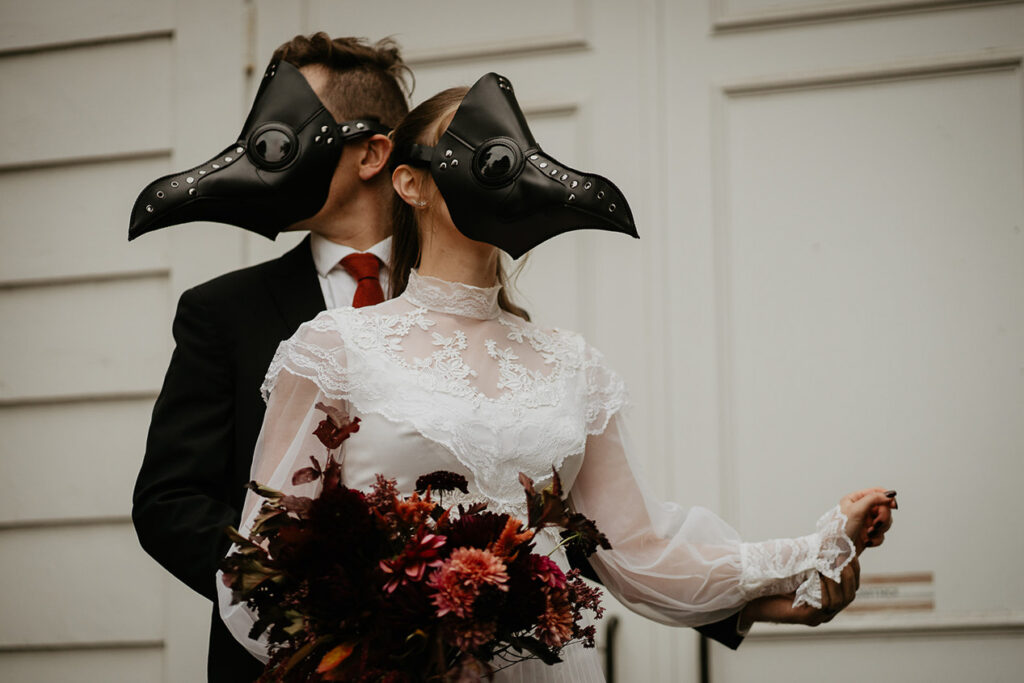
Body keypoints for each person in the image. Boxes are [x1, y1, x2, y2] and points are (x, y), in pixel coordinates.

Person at [217, 75, 895, 681]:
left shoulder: (572, 363)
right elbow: (261, 561)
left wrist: (815, 548)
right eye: (470, 148)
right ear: (410, 181)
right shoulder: (334, 345)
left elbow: (641, 552)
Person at [130, 33, 411, 682]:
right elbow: (171, 500)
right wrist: (289, 593)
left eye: (286, 131)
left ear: (372, 152)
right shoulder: (223, 313)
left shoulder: (466, 312)